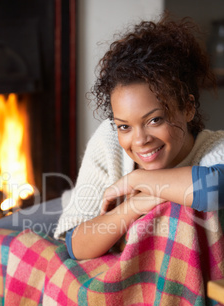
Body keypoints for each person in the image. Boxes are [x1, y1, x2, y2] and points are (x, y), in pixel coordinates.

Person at [54, 14, 224, 260]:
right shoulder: (108, 140)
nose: (140, 140)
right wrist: (133, 205)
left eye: (155, 120)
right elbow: (76, 246)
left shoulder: (215, 148)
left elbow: (214, 190)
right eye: (124, 126)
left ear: (188, 108)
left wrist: (136, 180)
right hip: (64, 205)